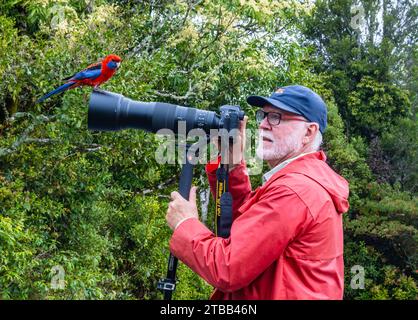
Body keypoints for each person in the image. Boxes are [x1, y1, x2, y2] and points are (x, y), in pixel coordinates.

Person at [166, 85, 350, 300]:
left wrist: (185, 224)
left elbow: (228, 267)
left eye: (276, 117)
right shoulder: (301, 180)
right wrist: (232, 168)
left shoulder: (295, 190)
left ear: (308, 132)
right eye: (263, 115)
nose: (263, 125)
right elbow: (250, 231)